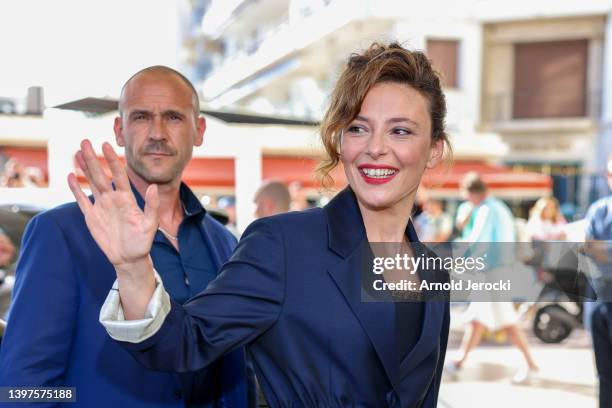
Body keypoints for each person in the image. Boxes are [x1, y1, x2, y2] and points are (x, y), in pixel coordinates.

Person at [70, 42, 451, 407]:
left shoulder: (435, 273)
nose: (375, 148)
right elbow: (184, 342)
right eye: (358, 128)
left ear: (433, 149)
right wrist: (134, 268)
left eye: (400, 130)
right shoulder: (283, 245)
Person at [0, 66, 251, 407]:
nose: (158, 133)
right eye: (142, 117)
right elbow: (23, 387)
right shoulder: (60, 233)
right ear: (120, 130)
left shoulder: (225, 242)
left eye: (174, 117)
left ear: (199, 130)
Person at [449, 172, 539, 384]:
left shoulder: (485, 210)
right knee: (478, 317)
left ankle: (530, 363)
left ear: (472, 193)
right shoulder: (498, 206)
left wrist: (459, 259)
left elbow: (479, 242)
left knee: (505, 319)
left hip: (492, 272)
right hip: (499, 269)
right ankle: (461, 359)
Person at [584, 155, 612, 408]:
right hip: (599, 301)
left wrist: (604, 252)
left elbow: (598, 250)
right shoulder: (598, 210)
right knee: (603, 373)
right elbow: (589, 249)